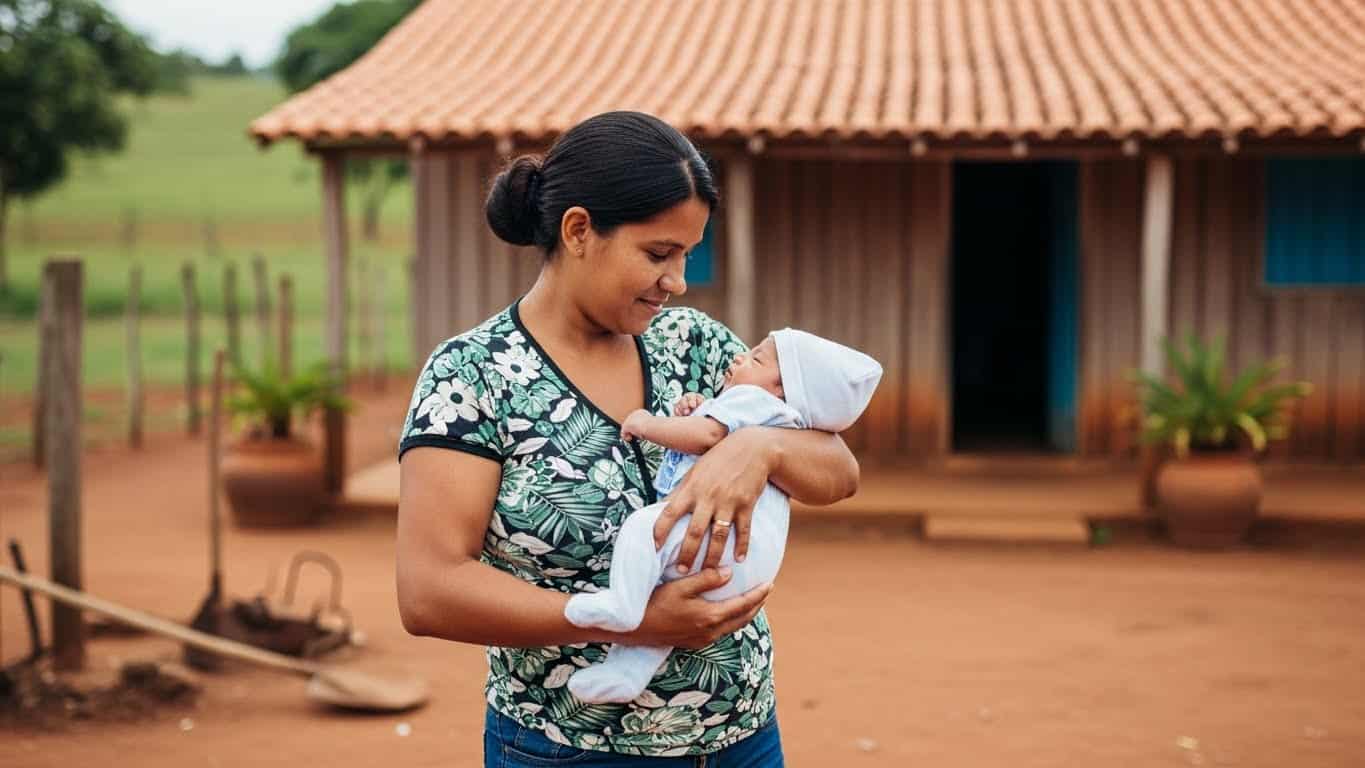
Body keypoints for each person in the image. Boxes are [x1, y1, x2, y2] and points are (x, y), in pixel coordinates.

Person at [395, 111, 861, 766]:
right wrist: (628, 620)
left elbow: (839, 472)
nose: (677, 281)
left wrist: (761, 449)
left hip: (741, 735)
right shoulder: (472, 376)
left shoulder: (693, 344)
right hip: (568, 747)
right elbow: (428, 590)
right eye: (657, 254)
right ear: (579, 230)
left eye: (687, 255)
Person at [563, 330, 882, 704]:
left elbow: (707, 434)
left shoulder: (752, 399)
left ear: (781, 389)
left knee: (643, 530)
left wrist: (647, 423)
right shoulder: (779, 416)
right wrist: (699, 407)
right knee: (663, 591)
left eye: (756, 359)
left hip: (716, 539)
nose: (738, 358)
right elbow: (713, 423)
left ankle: (622, 606)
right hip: (742, 565)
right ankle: (628, 673)